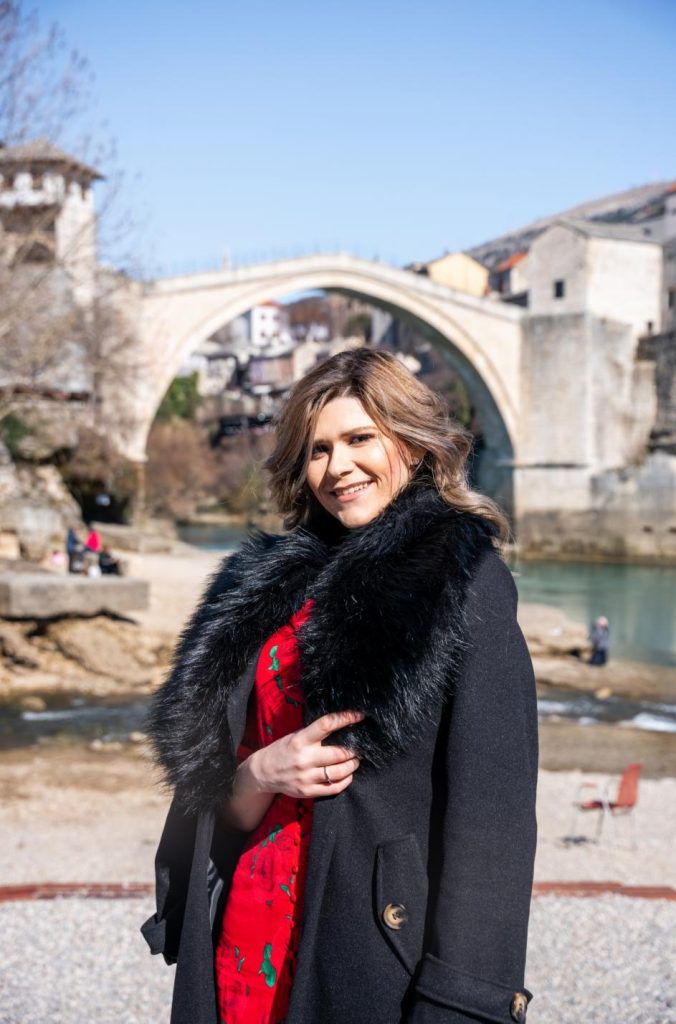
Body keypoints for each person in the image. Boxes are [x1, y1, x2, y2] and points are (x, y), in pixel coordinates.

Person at [142, 349, 539, 1024]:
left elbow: (493, 821)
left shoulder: (465, 582)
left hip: (369, 948)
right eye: (318, 449)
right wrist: (260, 772)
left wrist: (461, 1001)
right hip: (246, 930)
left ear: (411, 443)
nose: (338, 467)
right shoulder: (261, 587)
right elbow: (213, 790)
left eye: (360, 439)